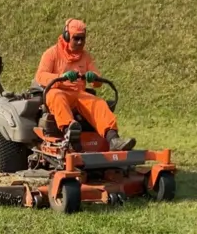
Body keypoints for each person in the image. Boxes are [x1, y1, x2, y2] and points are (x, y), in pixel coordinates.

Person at [34, 18, 136, 151]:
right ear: (66, 36)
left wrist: (94, 78)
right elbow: (41, 76)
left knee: (98, 103)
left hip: (78, 94)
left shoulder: (85, 57)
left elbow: (97, 82)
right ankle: (70, 131)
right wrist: (61, 77)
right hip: (57, 91)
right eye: (76, 38)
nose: (80, 42)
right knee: (56, 96)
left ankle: (113, 139)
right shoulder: (51, 54)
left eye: (82, 39)